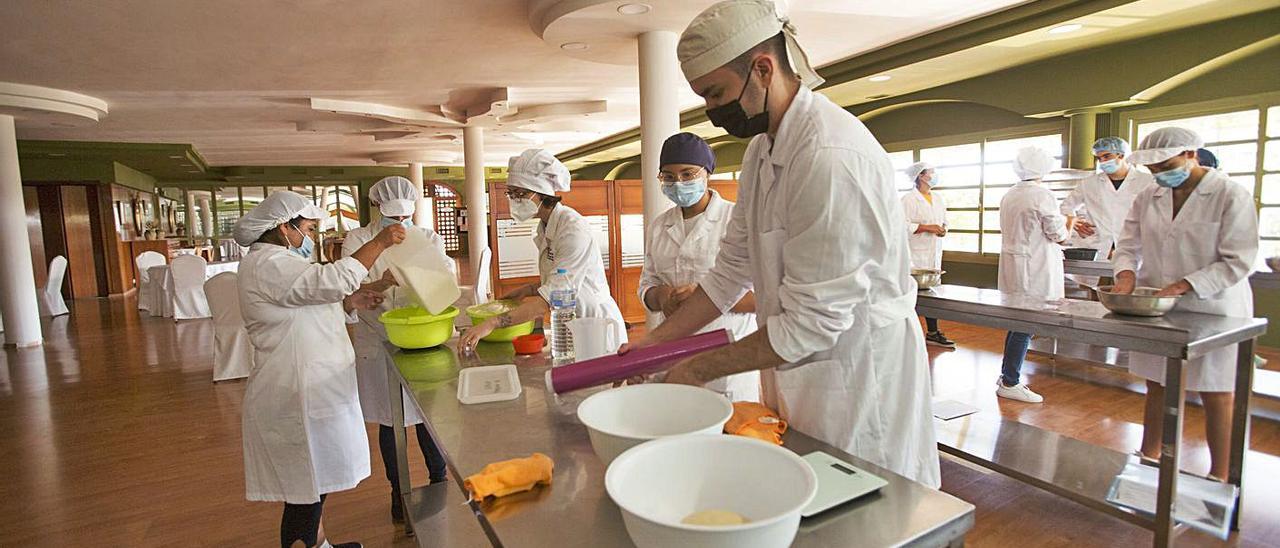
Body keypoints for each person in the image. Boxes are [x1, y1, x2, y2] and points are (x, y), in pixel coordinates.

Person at [625, 0, 940, 487]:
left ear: (763, 69)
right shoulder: (761, 150)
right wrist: (654, 344)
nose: (712, 111)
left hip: (859, 377)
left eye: (715, 93)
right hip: (802, 369)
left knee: (862, 511)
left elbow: (815, 321)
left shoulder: (831, 155)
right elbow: (731, 270)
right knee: (803, 494)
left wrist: (697, 366)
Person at [235, 191, 407, 548]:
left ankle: (319, 543)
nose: (311, 237)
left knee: (313, 482)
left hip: (312, 387)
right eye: (309, 229)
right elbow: (327, 282)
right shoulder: (268, 264)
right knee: (304, 487)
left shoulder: (281, 264)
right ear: (285, 228)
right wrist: (380, 241)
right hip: (294, 391)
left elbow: (307, 301)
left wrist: (351, 300)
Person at [1112, 127, 1258, 480]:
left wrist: (1186, 284)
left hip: (1214, 305)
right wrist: (1126, 275)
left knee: (1217, 391)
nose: (1160, 174)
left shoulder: (1228, 194)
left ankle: (1220, 475)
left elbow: (1239, 259)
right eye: (1153, 169)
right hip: (1159, 305)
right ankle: (1150, 456)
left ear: (1191, 154)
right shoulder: (1149, 195)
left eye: (1167, 165)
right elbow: (1128, 243)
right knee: (1159, 383)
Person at [341, 176, 454, 522]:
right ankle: (398, 490)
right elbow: (347, 288)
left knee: (428, 417)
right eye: (393, 218)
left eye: (405, 218)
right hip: (378, 336)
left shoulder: (428, 237)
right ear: (377, 208)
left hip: (420, 335)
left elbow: (444, 277)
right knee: (392, 421)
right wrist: (383, 282)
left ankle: (439, 481)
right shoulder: (358, 240)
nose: (400, 225)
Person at [458, 149, 627, 353]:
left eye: (521, 194)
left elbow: (551, 299)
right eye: (511, 194)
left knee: (598, 382)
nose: (515, 200)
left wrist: (491, 323)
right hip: (571, 323)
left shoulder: (572, 229)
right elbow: (562, 277)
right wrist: (528, 289)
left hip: (594, 324)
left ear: (543, 193)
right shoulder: (545, 226)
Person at [638, 132, 760, 402]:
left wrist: (703, 296)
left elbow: (762, 297)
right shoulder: (659, 226)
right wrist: (662, 297)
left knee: (728, 434)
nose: (678, 183)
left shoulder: (737, 220)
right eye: (668, 177)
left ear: (707, 173)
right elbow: (647, 284)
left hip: (727, 358)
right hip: (672, 354)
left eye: (687, 174)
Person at [996, 147, 1089, 404]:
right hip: (1035, 267)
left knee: (1018, 322)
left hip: (1016, 266)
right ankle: (1010, 381)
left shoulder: (1010, 194)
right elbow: (1058, 234)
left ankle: (1007, 375)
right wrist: (1070, 219)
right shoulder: (1042, 194)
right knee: (1025, 325)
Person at [1058, 137, 1155, 286]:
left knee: (1130, 289)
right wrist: (1075, 222)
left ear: (1121, 155)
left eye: (1107, 156)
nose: (1102, 161)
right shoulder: (1089, 184)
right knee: (1095, 288)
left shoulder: (1147, 181)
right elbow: (1066, 207)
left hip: (1134, 243)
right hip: (1098, 244)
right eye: (1099, 158)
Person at [900, 161, 953, 348]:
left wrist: (943, 229)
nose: (935, 175)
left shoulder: (938, 198)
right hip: (915, 254)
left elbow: (944, 221)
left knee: (933, 294)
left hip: (933, 252)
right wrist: (926, 227)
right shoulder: (908, 199)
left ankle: (932, 332)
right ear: (921, 176)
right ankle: (907, 334)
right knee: (913, 294)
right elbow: (902, 225)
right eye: (932, 172)